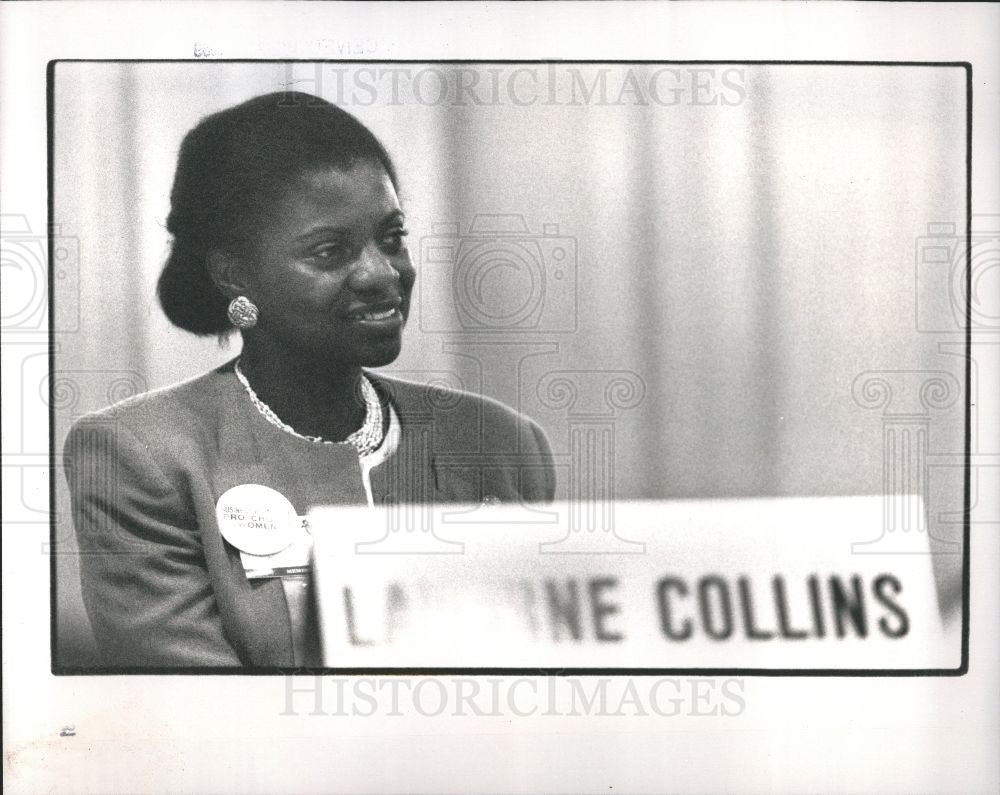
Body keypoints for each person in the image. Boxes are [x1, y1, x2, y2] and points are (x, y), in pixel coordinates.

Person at [63, 91, 556, 668]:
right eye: (330, 252)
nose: (381, 273)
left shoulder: (499, 442)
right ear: (232, 273)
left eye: (392, 237)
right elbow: (195, 719)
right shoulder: (142, 455)